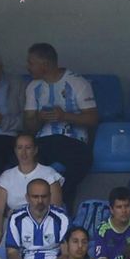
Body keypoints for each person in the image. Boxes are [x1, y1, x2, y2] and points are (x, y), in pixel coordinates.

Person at [22, 43, 97, 200]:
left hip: (73, 141)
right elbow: (28, 127)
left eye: (31, 63)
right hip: (43, 142)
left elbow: (93, 119)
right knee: (24, 163)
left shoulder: (78, 82)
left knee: (76, 167)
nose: (28, 67)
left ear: (45, 64)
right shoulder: (32, 87)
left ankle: (61, 206)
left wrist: (65, 116)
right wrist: (39, 118)